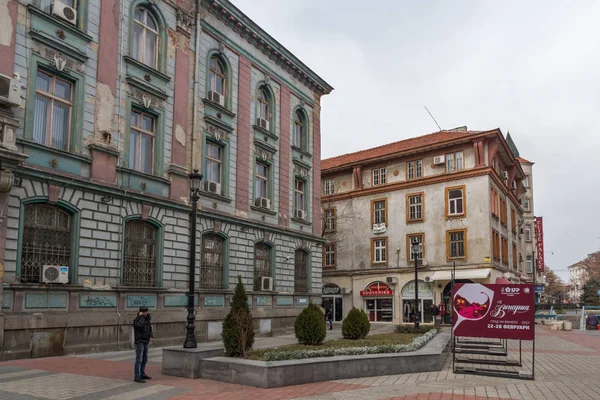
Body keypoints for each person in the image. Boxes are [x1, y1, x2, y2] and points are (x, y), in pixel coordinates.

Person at [133, 306, 153, 383]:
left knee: (145, 359)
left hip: (145, 341)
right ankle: (137, 376)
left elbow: (150, 329)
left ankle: (142, 373)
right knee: (139, 359)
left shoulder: (147, 320)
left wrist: (151, 336)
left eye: (146, 311)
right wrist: (141, 316)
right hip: (139, 342)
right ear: (141, 312)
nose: (145, 313)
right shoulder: (137, 320)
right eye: (144, 312)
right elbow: (139, 325)